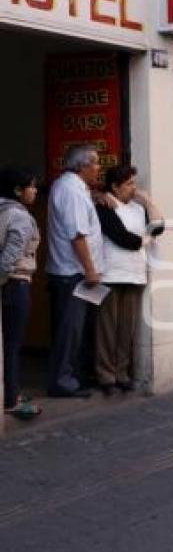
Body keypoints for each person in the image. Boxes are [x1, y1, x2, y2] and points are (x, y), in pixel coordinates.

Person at [94, 165, 164, 396]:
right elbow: (123, 238)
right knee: (107, 328)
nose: (134, 188)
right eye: (129, 184)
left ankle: (122, 373)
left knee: (127, 327)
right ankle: (106, 375)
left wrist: (149, 202)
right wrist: (145, 239)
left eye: (134, 182)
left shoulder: (137, 208)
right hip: (111, 273)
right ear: (115, 186)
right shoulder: (104, 206)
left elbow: (158, 228)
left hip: (135, 273)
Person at [45, 144, 104, 398]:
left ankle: (74, 377)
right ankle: (63, 382)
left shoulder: (75, 188)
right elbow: (77, 235)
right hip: (74, 274)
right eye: (96, 163)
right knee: (70, 331)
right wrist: (90, 270)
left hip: (74, 273)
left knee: (77, 330)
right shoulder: (71, 191)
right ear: (83, 166)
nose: (99, 168)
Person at [0, 167, 42, 420]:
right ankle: (11, 399)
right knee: (13, 344)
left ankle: (10, 390)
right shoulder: (19, 216)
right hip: (15, 283)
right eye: (32, 186)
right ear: (18, 191)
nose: (36, 191)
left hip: (8, 282)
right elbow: (11, 255)